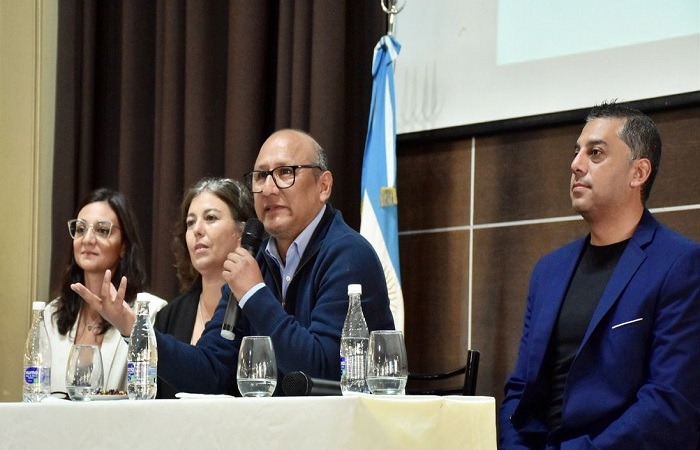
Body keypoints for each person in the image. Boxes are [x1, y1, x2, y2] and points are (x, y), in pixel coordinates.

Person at [78, 129, 395, 395]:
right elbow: (211, 370)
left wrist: (255, 294)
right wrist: (132, 326)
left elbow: (325, 370)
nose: (268, 188)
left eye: (285, 173)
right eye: (261, 176)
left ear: (323, 186)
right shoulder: (254, 258)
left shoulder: (349, 255)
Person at [499, 102, 700, 448]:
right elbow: (521, 389)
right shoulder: (548, 271)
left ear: (638, 173)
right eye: (576, 152)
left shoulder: (680, 265)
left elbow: (670, 404)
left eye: (595, 153)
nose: (576, 164)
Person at [46, 188, 166, 395]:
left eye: (102, 230)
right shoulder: (51, 314)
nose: (87, 239)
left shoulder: (150, 311)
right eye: (80, 229)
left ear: (124, 246)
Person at [153, 177, 255, 398]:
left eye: (210, 218)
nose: (197, 230)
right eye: (190, 223)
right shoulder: (168, 316)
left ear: (242, 232)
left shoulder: (254, 307)